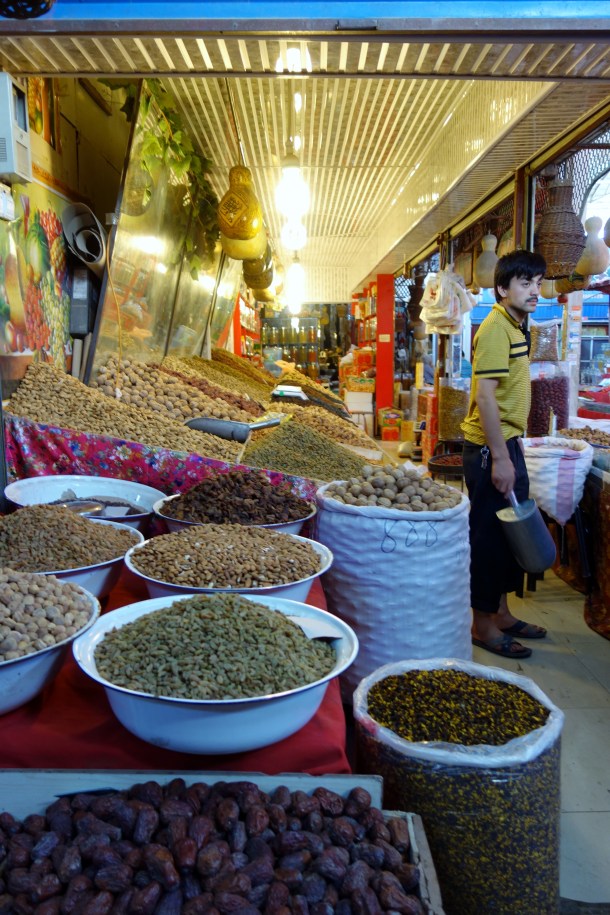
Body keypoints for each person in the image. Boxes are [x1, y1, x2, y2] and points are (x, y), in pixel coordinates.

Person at [461, 250, 548, 659]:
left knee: (509, 536)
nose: (534, 290)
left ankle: (502, 614)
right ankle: (482, 626)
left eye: (537, 282)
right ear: (501, 288)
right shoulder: (497, 327)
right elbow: (485, 396)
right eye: (525, 282)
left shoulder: (516, 326)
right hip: (489, 449)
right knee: (490, 539)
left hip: (508, 444)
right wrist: (499, 458)